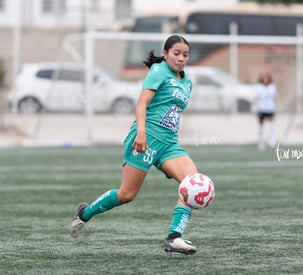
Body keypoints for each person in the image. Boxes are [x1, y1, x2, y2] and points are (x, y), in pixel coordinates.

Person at [70, 35, 203, 255]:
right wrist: (141, 133)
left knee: (191, 184)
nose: (181, 58)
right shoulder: (159, 71)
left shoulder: (187, 82)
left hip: (169, 144)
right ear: (166, 53)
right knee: (127, 194)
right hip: (146, 138)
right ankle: (85, 213)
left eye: (185, 55)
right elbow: (142, 104)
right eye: (176, 53)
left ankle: (174, 237)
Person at [254, 73, 277, 150]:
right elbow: (257, 97)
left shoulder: (272, 87)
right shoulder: (259, 87)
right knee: (261, 125)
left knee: (272, 124)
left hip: (270, 108)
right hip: (261, 108)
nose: (265, 80)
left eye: (266, 78)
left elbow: (273, 97)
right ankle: (260, 141)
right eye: (264, 78)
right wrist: (254, 105)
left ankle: (272, 141)